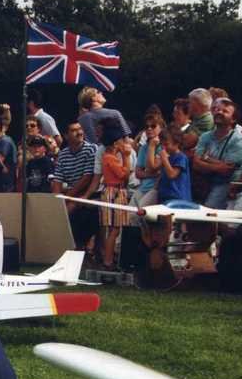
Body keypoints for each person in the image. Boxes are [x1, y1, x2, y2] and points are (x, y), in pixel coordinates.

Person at [192, 97, 242, 209]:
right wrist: (218, 165)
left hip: (227, 184)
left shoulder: (237, 140)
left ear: (233, 119)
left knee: (209, 210)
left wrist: (206, 158)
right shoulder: (205, 136)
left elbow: (226, 170)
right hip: (205, 182)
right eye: (217, 109)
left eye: (225, 111)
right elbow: (195, 164)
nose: (219, 112)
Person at [51, 122, 98, 251]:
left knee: (68, 211)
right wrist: (57, 201)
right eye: (74, 130)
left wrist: (67, 198)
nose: (79, 132)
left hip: (88, 193)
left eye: (80, 129)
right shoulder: (63, 154)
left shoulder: (91, 149)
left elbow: (87, 178)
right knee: (55, 210)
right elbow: (57, 180)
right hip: (70, 194)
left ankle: (76, 248)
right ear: (66, 136)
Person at [98, 124, 132, 269]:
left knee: (114, 229)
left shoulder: (110, 157)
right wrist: (126, 157)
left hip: (116, 192)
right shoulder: (110, 158)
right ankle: (108, 260)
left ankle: (109, 258)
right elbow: (124, 174)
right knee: (114, 229)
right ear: (115, 143)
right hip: (114, 193)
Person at [151, 127, 192, 204]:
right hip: (165, 196)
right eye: (161, 144)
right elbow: (153, 167)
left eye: (166, 144)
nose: (163, 148)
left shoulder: (181, 157)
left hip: (178, 198)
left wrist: (165, 160)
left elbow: (172, 174)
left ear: (177, 143)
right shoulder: (168, 156)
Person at [133, 113, 165, 208]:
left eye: (153, 126)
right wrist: (155, 174)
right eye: (147, 127)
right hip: (143, 187)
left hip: (156, 189)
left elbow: (152, 168)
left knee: (139, 213)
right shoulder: (143, 148)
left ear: (161, 128)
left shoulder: (165, 146)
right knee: (129, 213)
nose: (149, 129)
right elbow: (138, 173)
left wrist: (152, 146)